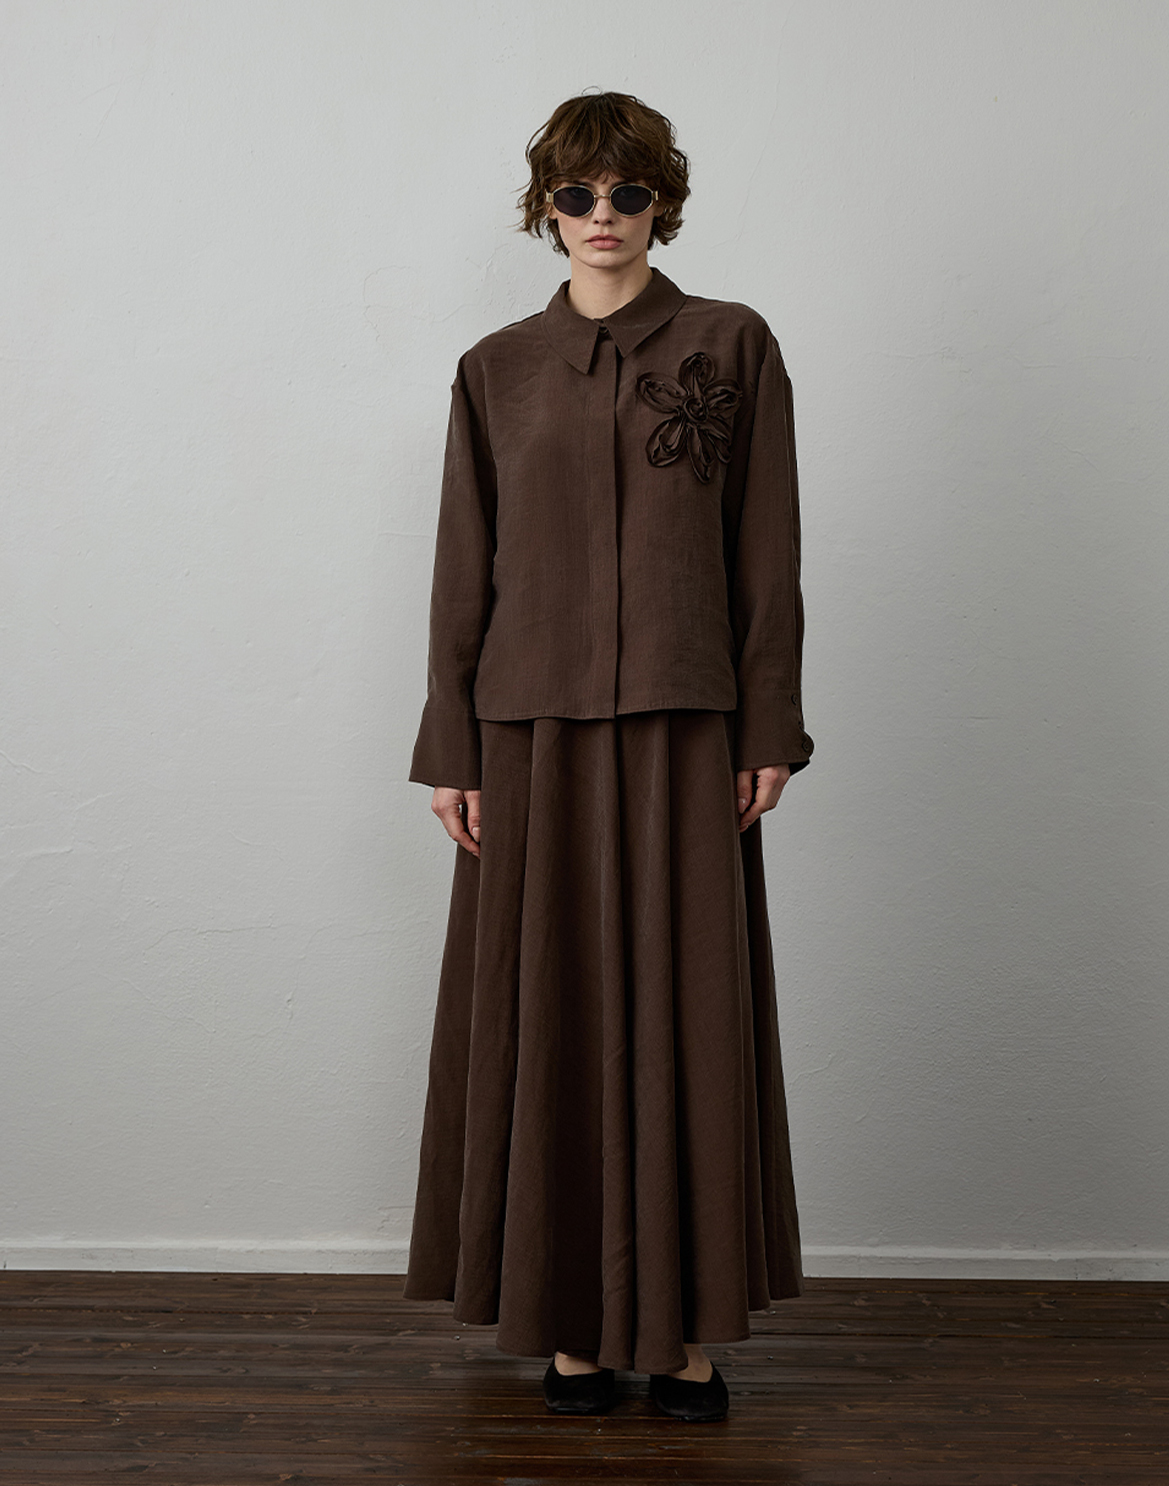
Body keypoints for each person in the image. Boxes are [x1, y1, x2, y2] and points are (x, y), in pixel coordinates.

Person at [402, 90, 813, 1424]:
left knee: (685, 1010)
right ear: (545, 208)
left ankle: (681, 1333)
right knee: (554, 1014)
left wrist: (768, 723)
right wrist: (452, 746)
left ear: (661, 204)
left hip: (689, 727)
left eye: (626, 194)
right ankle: (569, 1329)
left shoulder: (731, 344)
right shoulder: (495, 369)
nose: (600, 217)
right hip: (527, 732)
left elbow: (767, 550)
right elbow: (462, 568)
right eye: (575, 195)